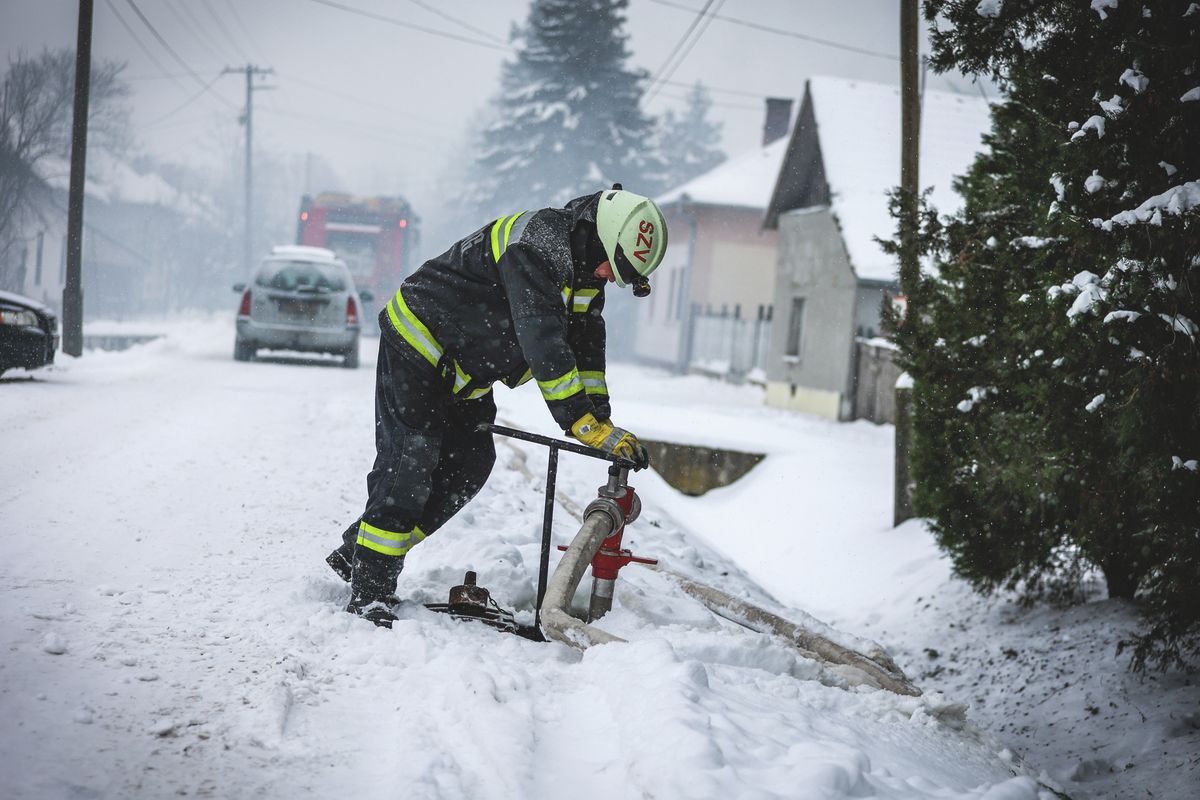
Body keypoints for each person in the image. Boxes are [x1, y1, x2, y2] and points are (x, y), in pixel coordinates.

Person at [326, 185, 668, 627]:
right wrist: (580, 422)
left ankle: (360, 552)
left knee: (469, 465)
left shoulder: (586, 268)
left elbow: (586, 346)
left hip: (464, 371)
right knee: (408, 468)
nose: (610, 278)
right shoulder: (536, 247)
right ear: (601, 236)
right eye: (613, 267)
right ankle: (370, 592)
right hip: (419, 347)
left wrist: (601, 421)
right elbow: (544, 341)